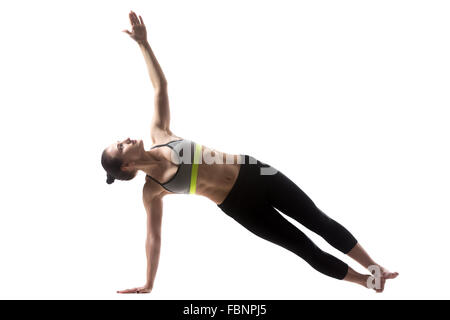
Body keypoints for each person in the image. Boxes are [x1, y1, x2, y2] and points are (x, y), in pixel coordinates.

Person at [101, 11, 398, 294]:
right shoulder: (152, 191)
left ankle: (375, 267)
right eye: (120, 145)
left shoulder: (160, 135)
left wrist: (143, 43)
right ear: (125, 166)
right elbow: (153, 238)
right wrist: (149, 281)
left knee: (319, 220)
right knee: (304, 249)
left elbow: (160, 87)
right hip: (240, 207)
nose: (125, 139)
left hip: (257, 171)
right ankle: (366, 282)